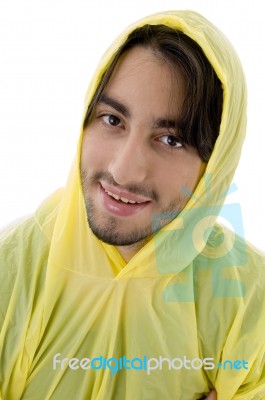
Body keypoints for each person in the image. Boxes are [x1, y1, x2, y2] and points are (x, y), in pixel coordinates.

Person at [0, 9, 265, 400]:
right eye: (112, 120)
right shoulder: (11, 273)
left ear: (215, 164)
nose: (123, 171)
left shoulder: (248, 302)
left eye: (171, 139)